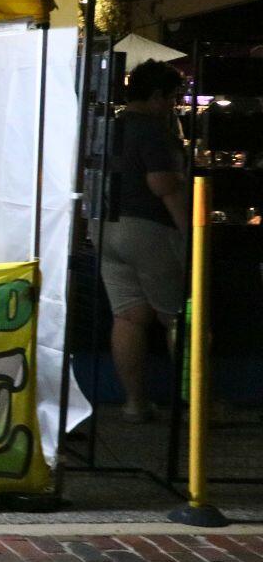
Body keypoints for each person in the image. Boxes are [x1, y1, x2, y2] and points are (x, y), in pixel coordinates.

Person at [100, 59, 187, 422]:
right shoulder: (152, 129)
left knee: (129, 317)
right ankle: (196, 407)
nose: (173, 106)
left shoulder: (109, 127)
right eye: (172, 98)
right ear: (155, 97)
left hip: (106, 228)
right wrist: (190, 231)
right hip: (149, 229)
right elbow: (161, 184)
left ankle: (134, 403)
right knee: (178, 316)